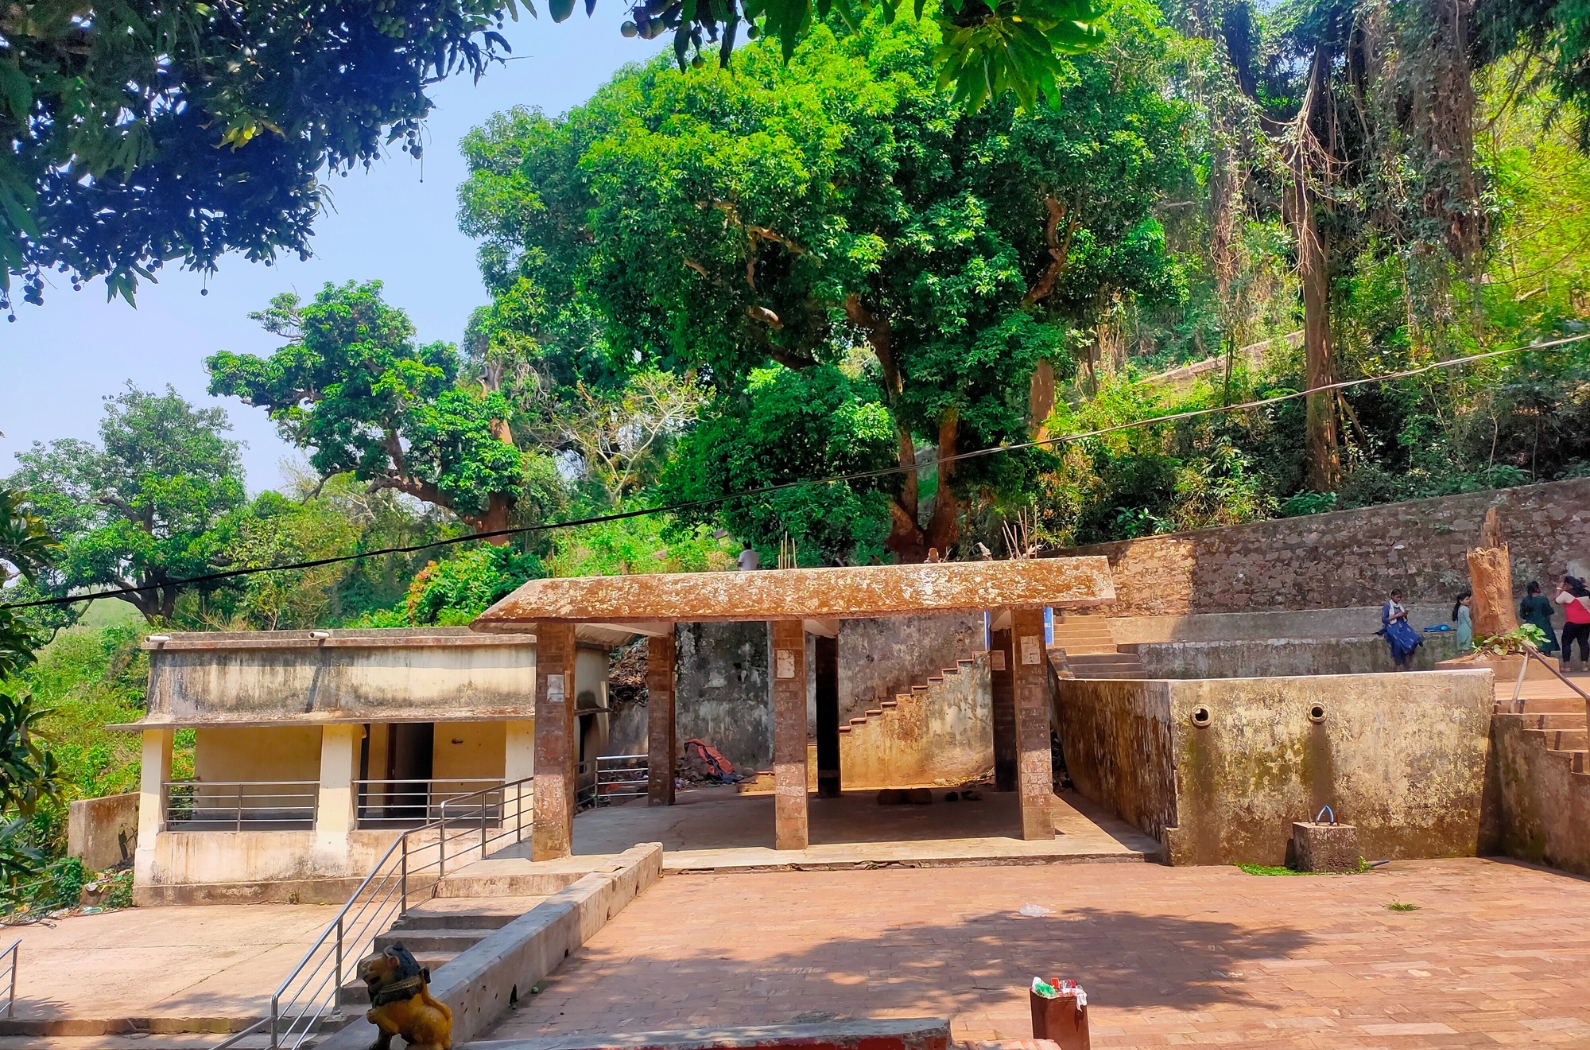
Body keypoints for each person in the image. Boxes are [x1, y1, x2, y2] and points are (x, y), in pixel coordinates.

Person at [1379, 588, 1423, 670]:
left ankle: (1408, 657)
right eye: (1397, 597)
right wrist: (1397, 615)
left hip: (1402, 625)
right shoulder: (1387, 606)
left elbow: (1404, 619)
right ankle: (1399, 663)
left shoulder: (1400, 606)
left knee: (1415, 637)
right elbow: (1384, 620)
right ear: (1392, 596)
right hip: (1392, 626)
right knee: (1398, 642)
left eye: (1400, 598)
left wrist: (1404, 615)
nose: (1398, 599)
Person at [1555, 575, 1590, 671]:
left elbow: (1557, 601)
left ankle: (1566, 666)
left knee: (1566, 643)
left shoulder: (1567, 594)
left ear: (1567, 584)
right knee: (1583, 642)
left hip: (1573, 621)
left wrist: (1559, 588)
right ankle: (1585, 666)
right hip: (1587, 621)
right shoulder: (1586, 592)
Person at [1519, 581, 1560, 655]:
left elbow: (1522, 615)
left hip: (1530, 625)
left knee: (1533, 645)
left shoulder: (1525, 600)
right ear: (1537, 588)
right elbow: (1549, 611)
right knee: (1546, 646)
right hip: (1544, 625)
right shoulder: (1543, 599)